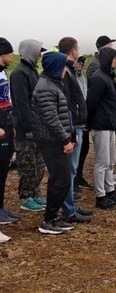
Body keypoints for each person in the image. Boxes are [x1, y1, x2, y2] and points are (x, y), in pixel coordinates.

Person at [32, 51, 76, 235]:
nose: (66, 70)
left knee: (59, 179)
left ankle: (52, 217)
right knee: (62, 179)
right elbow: (51, 118)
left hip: (55, 139)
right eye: (63, 66)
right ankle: (48, 220)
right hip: (52, 141)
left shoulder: (51, 84)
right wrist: (65, 139)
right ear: (56, 67)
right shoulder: (45, 88)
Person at [57, 37, 93, 223]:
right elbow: (66, 103)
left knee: (72, 169)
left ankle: (71, 207)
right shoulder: (64, 71)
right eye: (77, 48)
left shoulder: (69, 70)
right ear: (73, 51)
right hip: (72, 127)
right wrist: (71, 129)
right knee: (69, 170)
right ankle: (68, 210)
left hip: (77, 125)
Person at [9, 39, 47, 217]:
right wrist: (31, 126)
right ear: (31, 51)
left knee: (39, 164)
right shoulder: (19, 73)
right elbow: (22, 104)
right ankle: (26, 197)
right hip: (25, 129)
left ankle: (35, 193)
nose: (40, 55)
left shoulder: (32, 71)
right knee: (27, 164)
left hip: (37, 127)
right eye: (38, 51)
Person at [86, 47, 116, 209]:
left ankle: (109, 190)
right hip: (100, 125)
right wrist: (88, 122)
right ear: (108, 59)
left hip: (109, 124)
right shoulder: (99, 78)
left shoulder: (108, 76)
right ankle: (100, 195)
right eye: (115, 58)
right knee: (102, 162)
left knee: (110, 161)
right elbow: (91, 103)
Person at [0, 37, 21, 234]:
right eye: (8, 53)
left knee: (4, 169)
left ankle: (1, 207)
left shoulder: (3, 72)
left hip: (7, 124)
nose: (11, 56)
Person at [73, 55, 93, 191]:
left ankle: (79, 176)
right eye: (78, 62)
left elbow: (85, 98)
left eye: (82, 62)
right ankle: (74, 181)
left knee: (84, 148)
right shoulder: (70, 77)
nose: (80, 64)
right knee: (75, 152)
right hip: (75, 121)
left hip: (83, 119)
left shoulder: (82, 78)